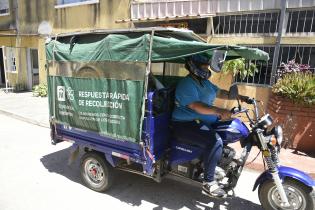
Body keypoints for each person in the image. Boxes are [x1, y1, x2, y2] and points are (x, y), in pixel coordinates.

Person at [172, 54, 233, 198]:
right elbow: (196, 105)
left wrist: (237, 96)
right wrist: (219, 111)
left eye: (207, 66)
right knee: (215, 141)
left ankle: (214, 163)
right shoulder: (186, 84)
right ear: (194, 66)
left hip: (201, 121)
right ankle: (208, 183)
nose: (206, 69)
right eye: (204, 66)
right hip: (184, 124)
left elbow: (219, 92)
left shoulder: (204, 82)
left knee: (227, 131)